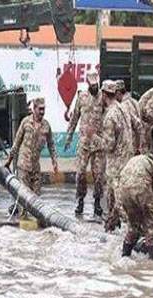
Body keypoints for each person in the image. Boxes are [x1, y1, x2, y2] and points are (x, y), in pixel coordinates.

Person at [5, 97, 59, 217]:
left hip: (35, 166)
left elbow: (51, 145)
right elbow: (17, 143)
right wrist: (9, 160)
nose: (42, 112)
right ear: (34, 109)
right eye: (40, 109)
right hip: (23, 166)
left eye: (43, 109)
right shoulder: (25, 122)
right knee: (25, 198)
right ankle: (23, 226)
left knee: (36, 199)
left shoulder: (46, 126)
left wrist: (54, 161)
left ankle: (35, 227)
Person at [64, 72, 105, 217]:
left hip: (98, 144)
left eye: (96, 85)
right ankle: (80, 200)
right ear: (88, 84)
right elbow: (74, 118)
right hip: (84, 143)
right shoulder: (82, 97)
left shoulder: (103, 98)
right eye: (92, 85)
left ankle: (97, 202)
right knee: (80, 173)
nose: (95, 88)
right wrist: (68, 137)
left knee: (98, 175)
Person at [117, 152, 153, 259]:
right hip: (141, 189)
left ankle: (125, 256)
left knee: (133, 226)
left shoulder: (133, 160)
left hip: (123, 192)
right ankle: (151, 262)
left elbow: (120, 179)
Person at [101, 80, 135, 232]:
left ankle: (137, 232)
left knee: (119, 203)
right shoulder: (123, 109)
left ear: (103, 94)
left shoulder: (110, 116)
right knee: (114, 201)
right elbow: (137, 126)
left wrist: (93, 138)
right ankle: (110, 228)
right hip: (127, 162)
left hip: (116, 166)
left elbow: (108, 146)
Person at [115, 79, 143, 155]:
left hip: (131, 145)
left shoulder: (125, 105)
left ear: (118, 92)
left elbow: (137, 125)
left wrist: (137, 147)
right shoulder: (133, 101)